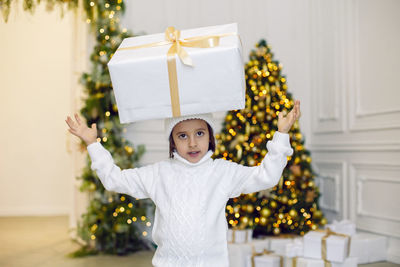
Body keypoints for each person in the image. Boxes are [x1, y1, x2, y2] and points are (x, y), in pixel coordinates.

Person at [65, 100, 301, 267]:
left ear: (210, 136)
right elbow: (114, 180)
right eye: (182, 136)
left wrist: (281, 135)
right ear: (172, 141)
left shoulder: (222, 172)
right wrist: (93, 144)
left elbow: (266, 176)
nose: (192, 143)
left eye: (199, 133)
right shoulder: (159, 174)